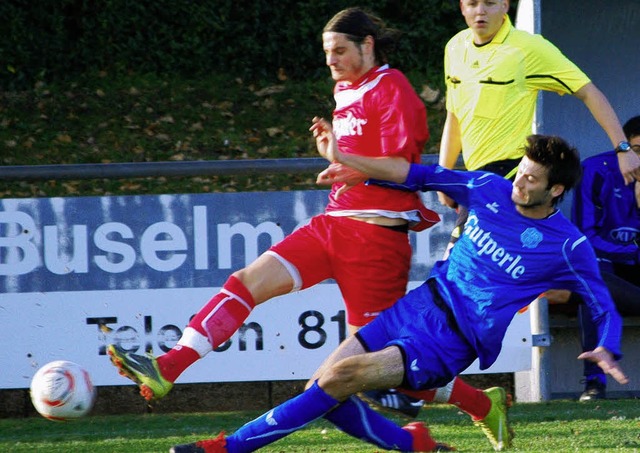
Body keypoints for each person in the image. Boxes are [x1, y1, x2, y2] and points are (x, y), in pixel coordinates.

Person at [107, 7, 510, 450]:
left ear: (367, 45)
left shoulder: (393, 89)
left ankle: (465, 412)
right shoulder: (343, 89)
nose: (330, 60)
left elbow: (404, 168)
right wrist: (336, 160)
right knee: (245, 283)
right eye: (326, 52)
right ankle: (168, 367)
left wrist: (352, 166)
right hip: (332, 224)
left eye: (339, 50)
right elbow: (359, 161)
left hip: (376, 242)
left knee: (377, 374)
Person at [168, 133, 628, 453]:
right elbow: (416, 174)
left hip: (453, 341)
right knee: (320, 388)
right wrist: (352, 165)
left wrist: (607, 345)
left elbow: (602, 303)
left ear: (556, 189)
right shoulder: (489, 188)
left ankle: (225, 447)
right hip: (420, 305)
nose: (518, 183)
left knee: (337, 380)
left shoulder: (568, 245)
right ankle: (413, 443)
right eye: (520, 172)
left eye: (530, 179)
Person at [438, 0, 640, 257]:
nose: (480, 11)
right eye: (473, 3)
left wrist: (623, 148)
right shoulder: (455, 47)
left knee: (458, 267)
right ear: (462, 7)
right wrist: (444, 175)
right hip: (476, 175)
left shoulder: (528, 48)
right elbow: (454, 114)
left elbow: (589, 92)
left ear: (504, 5)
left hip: (510, 173)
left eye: (489, 3)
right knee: (495, 274)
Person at [560, 115, 640, 401]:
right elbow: (586, 238)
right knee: (592, 278)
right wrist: (634, 249)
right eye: (638, 150)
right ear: (624, 148)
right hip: (606, 266)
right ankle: (594, 382)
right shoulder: (596, 169)